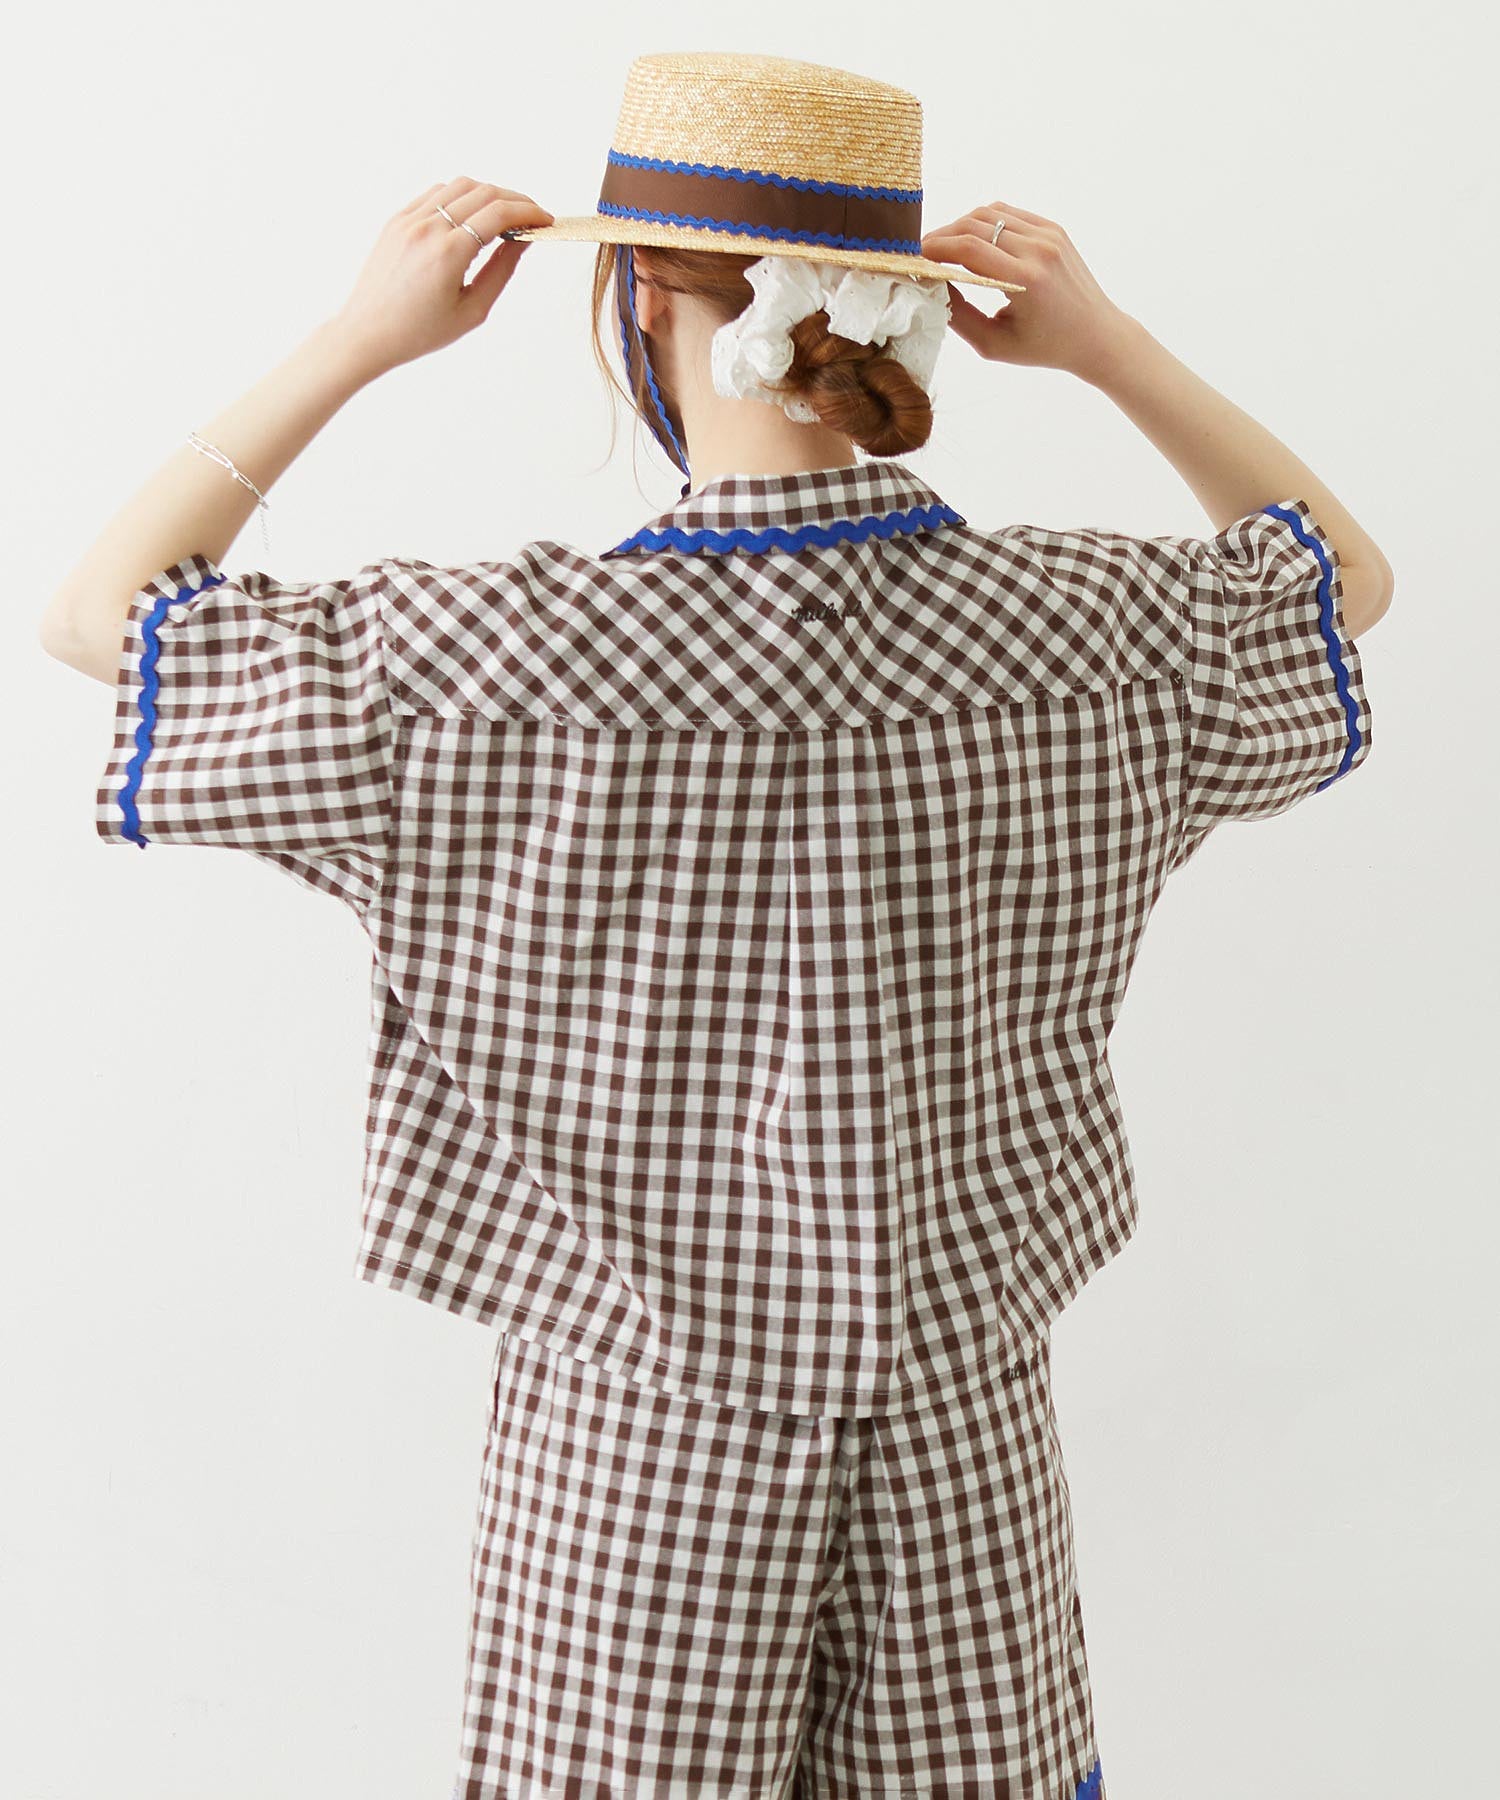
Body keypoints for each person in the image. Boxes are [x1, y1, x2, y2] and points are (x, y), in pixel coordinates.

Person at [40, 49, 1388, 1800]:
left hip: (635, 1460)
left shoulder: (483, 671)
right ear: (904, 315)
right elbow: (1340, 583)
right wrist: (1110, 348)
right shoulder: (1092, 636)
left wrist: (358, 341)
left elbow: (105, 613)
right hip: (964, 1440)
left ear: (639, 296)